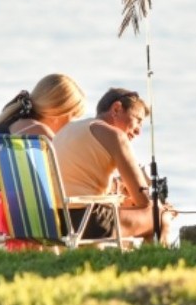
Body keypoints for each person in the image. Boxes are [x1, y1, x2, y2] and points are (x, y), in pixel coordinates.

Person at [53, 87, 176, 245]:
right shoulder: (114, 136)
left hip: (53, 221)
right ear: (117, 108)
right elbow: (144, 202)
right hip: (85, 222)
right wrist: (163, 208)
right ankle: (154, 263)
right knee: (159, 215)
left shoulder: (68, 130)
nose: (138, 131)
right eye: (137, 120)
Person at [0, 73, 86, 193]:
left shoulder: (9, 124)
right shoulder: (39, 135)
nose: (71, 124)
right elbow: (68, 180)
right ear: (59, 112)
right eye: (73, 116)